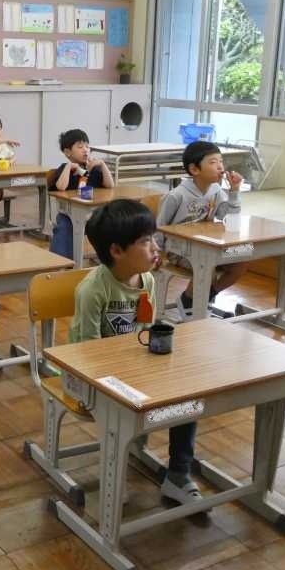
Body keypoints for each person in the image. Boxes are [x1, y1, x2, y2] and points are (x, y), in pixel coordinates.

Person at [70, 200, 203, 506]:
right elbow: (88, 351)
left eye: (153, 238)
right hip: (87, 375)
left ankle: (178, 474)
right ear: (117, 251)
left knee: (187, 394)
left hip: (130, 368)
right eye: (145, 241)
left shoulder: (147, 281)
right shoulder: (92, 290)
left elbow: (144, 330)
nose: (155, 248)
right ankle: (113, 479)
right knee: (125, 407)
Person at [157, 141, 245, 315]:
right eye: (213, 162)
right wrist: (157, 254)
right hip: (179, 250)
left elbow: (229, 216)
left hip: (206, 247)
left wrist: (234, 191)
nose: (220, 167)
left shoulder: (216, 191)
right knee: (206, 264)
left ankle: (197, 298)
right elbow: (160, 226)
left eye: (221, 161)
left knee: (241, 262)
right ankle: (195, 305)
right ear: (194, 169)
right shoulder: (176, 196)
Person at [48, 128, 114, 260]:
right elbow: (61, 187)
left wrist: (102, 165)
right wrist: (68, 167)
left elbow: (110, 185)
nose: (85, 150)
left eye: (87, 146)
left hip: (93, 214)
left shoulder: (94, 169)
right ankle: (60, 262)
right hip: (68, 213)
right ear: (67, 152)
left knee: (112, 224)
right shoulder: (64, 168)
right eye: (80, 147)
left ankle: (108, 258)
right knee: (64, 227)